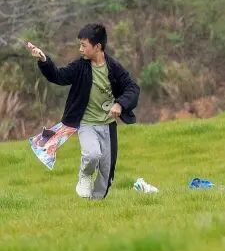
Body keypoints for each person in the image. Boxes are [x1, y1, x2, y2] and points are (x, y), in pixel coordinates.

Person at [25, 23, 140, 199]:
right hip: (87, 124)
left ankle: (95, 205)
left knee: (106, 172)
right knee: (92, 154)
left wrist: (120, 104)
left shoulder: (114, 67)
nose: (80, 49)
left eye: (83, 45)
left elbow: (132, 88)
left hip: (108, 126)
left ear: (98, 46)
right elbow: (59, 76)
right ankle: (84, 176)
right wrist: (43, 60)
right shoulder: (80, 66)